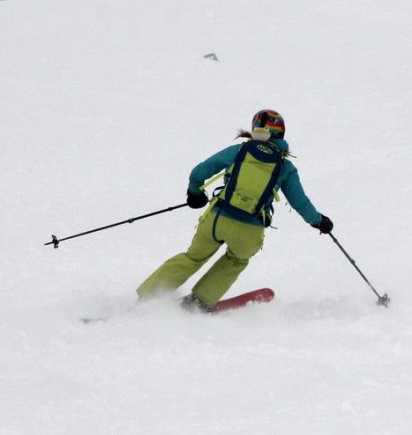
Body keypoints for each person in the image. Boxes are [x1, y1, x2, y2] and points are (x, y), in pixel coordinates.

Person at [136, 109, 333, 311]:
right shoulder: (285, 166)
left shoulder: (240, 151)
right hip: (249, 230)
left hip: (216, 219)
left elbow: (199, 172)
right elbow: (300, 202)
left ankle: (150, 295)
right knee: (236, 260)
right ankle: (199, 302)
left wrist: (195, 193)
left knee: (193, 257)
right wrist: (318, 221)